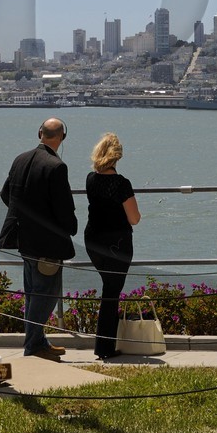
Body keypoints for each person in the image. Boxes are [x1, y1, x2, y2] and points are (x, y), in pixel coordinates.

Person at [0, 117, 78, 360]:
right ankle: (33, 346)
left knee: (33, 295)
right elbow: (64, 208)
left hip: (25, 240)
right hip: (48, 245)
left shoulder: (20, 159)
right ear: (62, 137)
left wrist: (27, 217)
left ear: (39, 133)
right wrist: (70, 228)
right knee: (46, 296)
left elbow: (6, 194)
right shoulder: (56, 166)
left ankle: (39, 341)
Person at [84, 132, 142, 360]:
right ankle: (104, 347)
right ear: (117, 157)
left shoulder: (90, 179)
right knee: (111, 292)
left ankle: (106, 343)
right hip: (117, 244)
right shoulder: (121, 183)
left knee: (110, 288)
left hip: (93, 241)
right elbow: (134, 218)